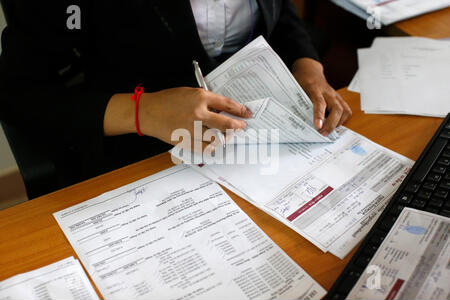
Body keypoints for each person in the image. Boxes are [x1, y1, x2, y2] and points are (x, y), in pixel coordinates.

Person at [0, 0, 351, 191]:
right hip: (140, 153)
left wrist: (306, 61)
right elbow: (18, 95)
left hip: (252, 140)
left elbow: (280, 10)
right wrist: (142, 111)